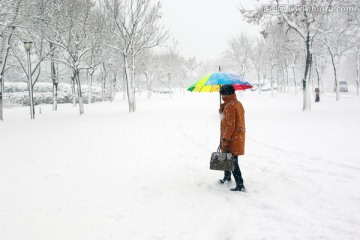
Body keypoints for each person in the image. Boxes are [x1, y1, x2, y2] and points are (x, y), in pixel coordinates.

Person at [218, 85, 246, 192]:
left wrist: (225, 138)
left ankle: (240, 184)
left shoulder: (230, 106)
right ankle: (227, 177)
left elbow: (230, 125)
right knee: (228, 157)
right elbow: (224, 117)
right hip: (237, 137)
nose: (222, 96)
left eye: (223, 94)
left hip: (231, 138)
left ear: (228, 93)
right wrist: (222, 108)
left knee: (233, 161)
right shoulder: (237, 104)